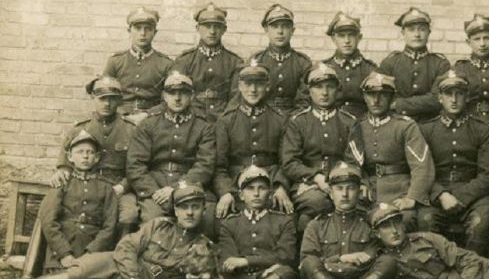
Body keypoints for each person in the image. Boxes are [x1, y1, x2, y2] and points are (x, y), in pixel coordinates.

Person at [0, 184, 213, 279]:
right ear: (175, 210)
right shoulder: (158, 225)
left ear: (203, 210)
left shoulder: (204, 248)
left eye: (195, 207)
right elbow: (126, 248)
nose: (190, 213)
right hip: (118, 263)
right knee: (77, 272)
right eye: (184, 207)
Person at [299, 162, 396, 279]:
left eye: (350, 188)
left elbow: (375, 256)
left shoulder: (370, 223)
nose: (345, 194)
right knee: (309, 262)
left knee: (388, 261)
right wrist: (341, 259)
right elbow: (306, 263)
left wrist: (346, 263)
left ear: (359, 192)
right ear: (331, 193)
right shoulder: (316, 225)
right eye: (339, 189)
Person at [126, 72, 216, 238]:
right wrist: (154, 191)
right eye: (172, 93)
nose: (177, 98)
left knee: (207, 218)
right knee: (152, 220)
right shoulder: (148, 124)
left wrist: (177, 188)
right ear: (164, 96)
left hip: (189, 183)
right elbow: (135, 164)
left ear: (192, 96)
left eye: (183, 93)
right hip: (155, 186)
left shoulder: (204, 126)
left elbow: (205, 164)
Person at [345, 72, 435, 231]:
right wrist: (361, 182)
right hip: (369, 194)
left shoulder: (405, 126)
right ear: (364, 97)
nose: (376, 100)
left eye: (383, 95)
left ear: (392, 98)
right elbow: (352, 162)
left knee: (404, 221)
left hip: (399, 192)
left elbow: (422, 165)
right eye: (371, 95)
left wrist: (412, 197)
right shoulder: (358, 126)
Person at [419, 70, 489, 255]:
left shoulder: (482, 129)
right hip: (437, 193)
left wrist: (461, 197)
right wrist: (440, 194)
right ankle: (435, 270)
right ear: (440, 98)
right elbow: (422, 170)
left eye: (459, 94)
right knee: (426, 220)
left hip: (474, 194)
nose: (454, 100)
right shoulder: (426, 130)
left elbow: (487, 174)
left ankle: (472, 268)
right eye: (448, 94)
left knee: (480, 223)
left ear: (467, 97)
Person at [50, 76, 138, 236]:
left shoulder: (131, 130)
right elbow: (65, 163)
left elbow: (137, 166)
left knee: (129, 216)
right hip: (88, 184)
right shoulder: (80, 128)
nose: (107, 104)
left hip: (118, 186)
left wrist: (123, 187)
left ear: (119, 100)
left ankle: (120, 250)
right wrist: (61, 171)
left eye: (112, 99)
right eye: (102, 98)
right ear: (93, 98)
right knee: (60, 212)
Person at [281, 62, 357, 233]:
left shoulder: (348, 122)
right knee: (315, 202)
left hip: (342, 182)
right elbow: (290, 162)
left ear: (337, 89)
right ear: (309, 90)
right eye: (318, 87)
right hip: (307, 183)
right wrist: (315, 177)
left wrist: (336, 180)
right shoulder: (298, 122)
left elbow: (354, 160)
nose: (324, 92)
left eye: (330, 87)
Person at [214, 60, 292, 220]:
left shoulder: (280, 119)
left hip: (270, 182)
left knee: (285, 215)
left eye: (259, 84)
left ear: (267, 86)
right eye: (248, 84)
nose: (253, 90)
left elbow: (286, 162)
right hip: (236, 183)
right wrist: (226, 191)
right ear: (240, 86)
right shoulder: (226, 120)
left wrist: (280, 186)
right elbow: (219, 166)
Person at [219, 166, 298, 279]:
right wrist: (260, 272)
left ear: (269, 193)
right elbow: (229, 262)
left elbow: (286, 256)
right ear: (241, 195)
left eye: (262, 188)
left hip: (272, 278)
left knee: (286, 272)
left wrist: (246, 261)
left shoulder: (284, 221)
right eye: (250, 188)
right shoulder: (229, 223)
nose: (256, 193)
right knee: (221, 277)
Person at [40, 130, 118, 271]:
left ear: (97, 158)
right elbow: (48, 221)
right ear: (70, 157)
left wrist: (91, 253)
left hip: (92, 248)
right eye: (80, 152)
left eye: (90, 152)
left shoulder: (106, 187)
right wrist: (64, 253)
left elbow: (110, 226)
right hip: (63, 247)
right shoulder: (62, 183)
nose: (85, 156)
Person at [171, 2, 243, 124]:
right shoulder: (185, 60)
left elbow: (236, 99)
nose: (212, 31)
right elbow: (177, 95)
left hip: (223, 120)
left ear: (224, 29)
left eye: (217, 26)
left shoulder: (235, 62)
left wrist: (225, 121)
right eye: (207, 26)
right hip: (190, 119)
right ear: (197, 28)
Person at [379, 7, 450, 122]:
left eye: (422, 29)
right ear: (403, 33)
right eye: (411, 30)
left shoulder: (440, 63)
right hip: (396, 124)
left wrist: (399, 104)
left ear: (429, 32)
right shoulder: (390, 63)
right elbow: (383, 97)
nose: (417, 34)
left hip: (430, 123)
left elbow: (438, 99)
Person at [103, 7, 173, 123]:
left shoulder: (166, 64)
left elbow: (170, 99)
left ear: (155, 32)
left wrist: (147, 114)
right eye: (137, 28)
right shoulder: (115, 61)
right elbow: (105, 95)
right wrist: (122, 113)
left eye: (148, 29)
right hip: (119, 118)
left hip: (152, 119)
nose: (143, 33)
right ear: (129, 31)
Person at [245, 4, 312, 116]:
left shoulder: (303, 63)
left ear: (292, 30)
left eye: (285, 26)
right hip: (263, 117)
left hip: (293, 119)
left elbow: (305, 101)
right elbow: (249, 96)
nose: (280, 31)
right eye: (275, 26)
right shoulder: (257, 60)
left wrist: (294, 120)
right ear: (266, 30)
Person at [322, 12, 377, 119]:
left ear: (359, 37)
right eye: (341, 36)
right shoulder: (325, 68)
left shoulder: (370, 69)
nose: (347, 41)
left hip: (362, 122)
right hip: (332, 122)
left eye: (351, 35)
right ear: (334, 39)